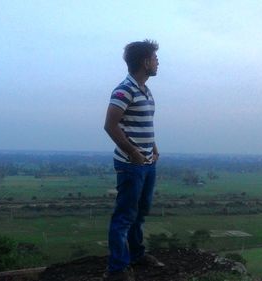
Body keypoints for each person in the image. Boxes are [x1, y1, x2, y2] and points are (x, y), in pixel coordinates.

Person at [103, 39, 164, 281]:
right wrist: (134, 153)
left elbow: (143, 124)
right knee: (125, 215)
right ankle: (117, 269)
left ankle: (136, 255)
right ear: (144, 61)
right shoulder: (124, 89)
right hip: (131, 165)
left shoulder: (145, 90)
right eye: (154, 58)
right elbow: (110, 125)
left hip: (147, 163)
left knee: (140, 212)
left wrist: (153, 147)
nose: (158, 62)